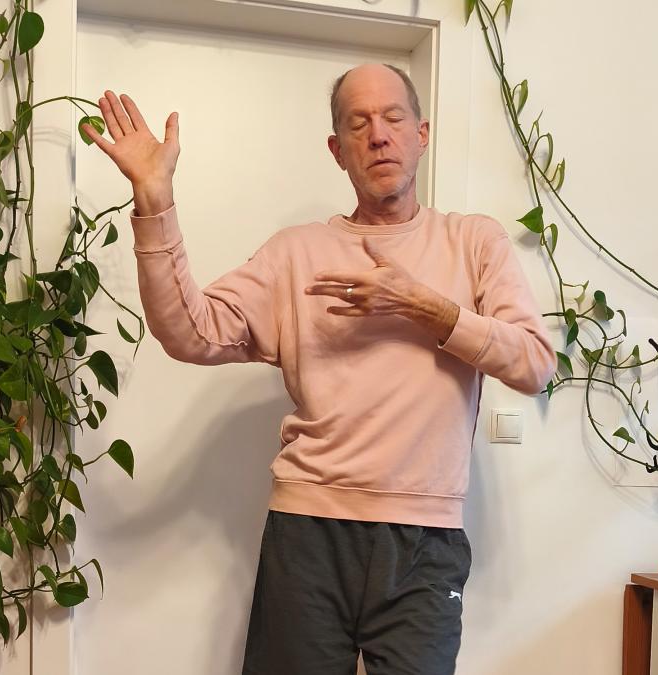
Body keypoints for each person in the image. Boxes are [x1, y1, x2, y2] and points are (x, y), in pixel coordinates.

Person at [81, 63, 556, 675]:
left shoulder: (475, 242)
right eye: (358, 124)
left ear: (421, 133)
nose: (378, 135)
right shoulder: (296, 253)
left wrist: (427, 307)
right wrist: (154, 200)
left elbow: (534, 364)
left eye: (393, 118)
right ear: (337, 151)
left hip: (426, 541)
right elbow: (191, 332)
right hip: (308, 530)